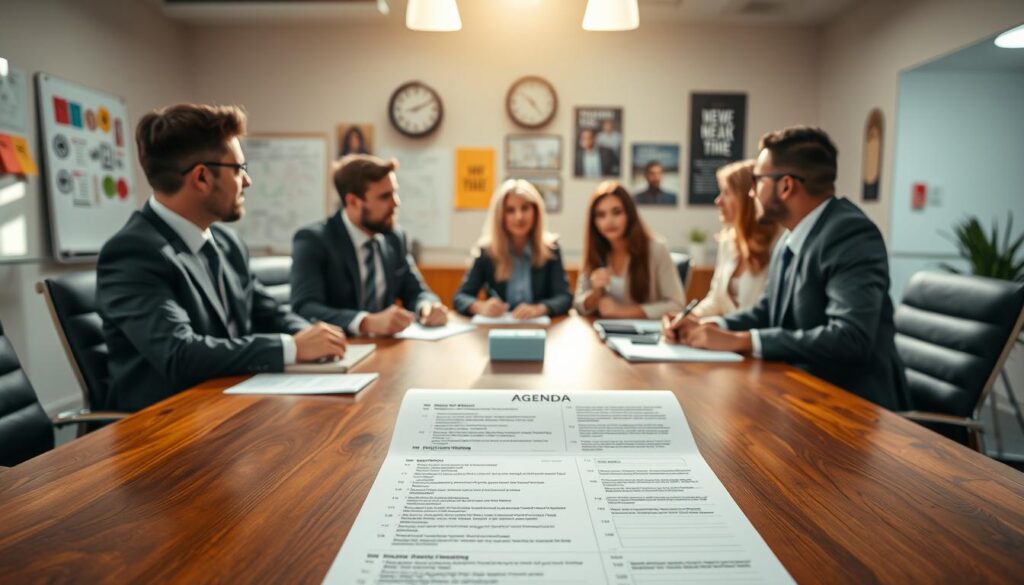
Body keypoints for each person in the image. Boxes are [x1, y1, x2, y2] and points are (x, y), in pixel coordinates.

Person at [97, 104, 348, 412]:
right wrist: (291, 347)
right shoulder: (132, 253)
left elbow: (264, 311)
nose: (247, 182)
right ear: (201, 177)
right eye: (240, 169)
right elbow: (179, 353)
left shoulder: (227, 242)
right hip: (168, 427)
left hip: (233, 405)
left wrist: (310, 335)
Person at [663, 126, 907, 410]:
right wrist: (712, 326)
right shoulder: (790, 237)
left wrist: (741, 341)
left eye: (757, 180)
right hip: (801, 394)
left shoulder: (850, 234)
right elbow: (767, 310)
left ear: (786, 185)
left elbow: (849, 338)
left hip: (855, 408)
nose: (751, 191)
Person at [291, 154, 448, 336]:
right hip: (339, 349)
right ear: (353, 201)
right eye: (385, 196)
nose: (396, 203)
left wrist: (426, 307)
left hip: (385, 351)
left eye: (395, 192)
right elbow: (305, 307)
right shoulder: (313, 240)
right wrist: (366, 322)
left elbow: (417, 292)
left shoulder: (394, 238)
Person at [453, 179, 571, 319]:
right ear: (500, 216)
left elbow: (564, 297)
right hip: (498, 328)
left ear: (536, 212)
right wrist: (480, 306)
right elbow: (460, 297)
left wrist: (540, 309)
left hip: (538, 328)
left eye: (525, 208)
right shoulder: (486, 252)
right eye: (510, 210)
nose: (519, 217)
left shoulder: (551, 249)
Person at [574, 181, 685, 319]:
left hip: (646, 334)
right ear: (594, 222)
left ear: (630, 214)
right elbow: (578, 305)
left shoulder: (656, 248)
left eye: (617, 212)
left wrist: (620, 311)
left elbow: (676, 305)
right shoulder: (595, 251)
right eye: (601, 215)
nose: (609, 221)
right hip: (602, 332)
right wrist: (595, 293)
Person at [690, 159, 780, 317]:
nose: (718, 201)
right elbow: (716, 300)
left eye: (726, 192)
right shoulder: (728, 242)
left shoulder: (777, 245)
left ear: (747, 198)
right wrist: (689, 318)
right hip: (724, 337)